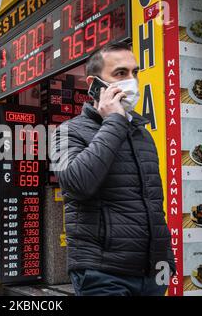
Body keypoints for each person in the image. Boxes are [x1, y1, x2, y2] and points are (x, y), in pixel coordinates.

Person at [52, 42, 175, 296]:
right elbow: (78, 184)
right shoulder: (66, 132)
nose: (132, 81)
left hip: (153, 272)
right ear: (94, 84)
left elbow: (153, 202)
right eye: (121, 74)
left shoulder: (142, 134)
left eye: (135, 73)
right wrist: (114, 121)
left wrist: (166, 258)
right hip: (102, 273)